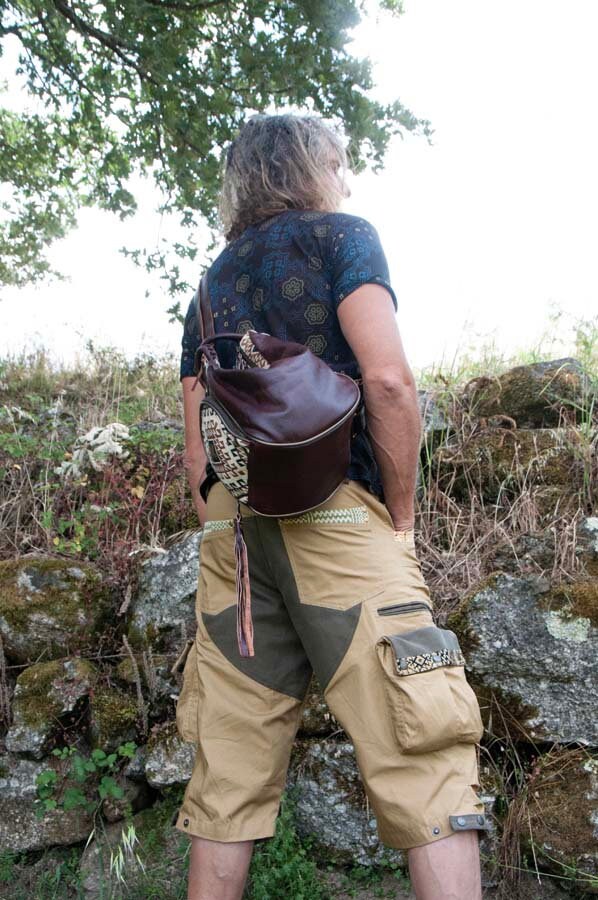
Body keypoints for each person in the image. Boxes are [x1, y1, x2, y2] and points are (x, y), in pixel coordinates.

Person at [174, 113, 488, 900]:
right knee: (423, 749)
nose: (345, 178)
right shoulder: (342, 238)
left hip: (233, 535)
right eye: (338, 164)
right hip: (338, 517)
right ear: (312, 168)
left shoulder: (210, 284)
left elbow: (196, 446)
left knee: (228, 770)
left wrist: (226, 530)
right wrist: (400, 519)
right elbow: (387, 381)